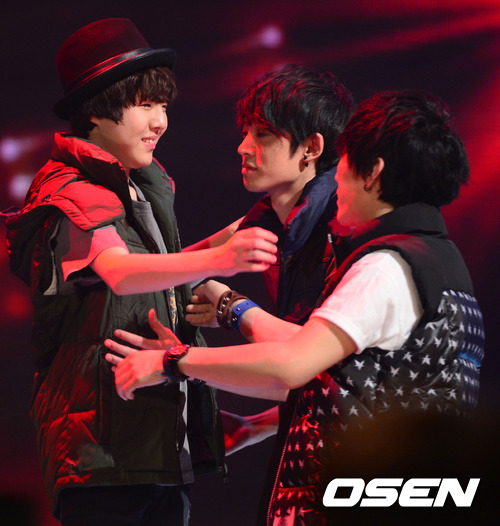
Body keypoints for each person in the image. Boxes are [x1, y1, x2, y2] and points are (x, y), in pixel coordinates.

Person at [105, 90, 485, 525]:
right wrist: (248, 416)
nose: (335, 180)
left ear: (373, 172)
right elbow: (339, 383)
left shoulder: (386, 266)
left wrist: (173, 361)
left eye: (344, 163)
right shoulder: (438, 260)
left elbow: (291, 365)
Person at [1, 18, 277, 526]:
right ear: (98, 107)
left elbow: (156, 271)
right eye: (145, 104)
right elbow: (121, 273)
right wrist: (222, 259)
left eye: (164, 106)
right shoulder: (69, 188)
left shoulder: (137, 185)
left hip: (150, 450)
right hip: (104, 459)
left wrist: (241, 231)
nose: (160, 122)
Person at [186, 64, 353, 458]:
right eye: (245, 132)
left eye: (262, 134)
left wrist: (230, 307)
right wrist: (254, 428)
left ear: (311, 148)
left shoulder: (347, 231)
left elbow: (331, 372)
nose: (243, 147)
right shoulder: (265, 221)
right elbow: (173, 267)